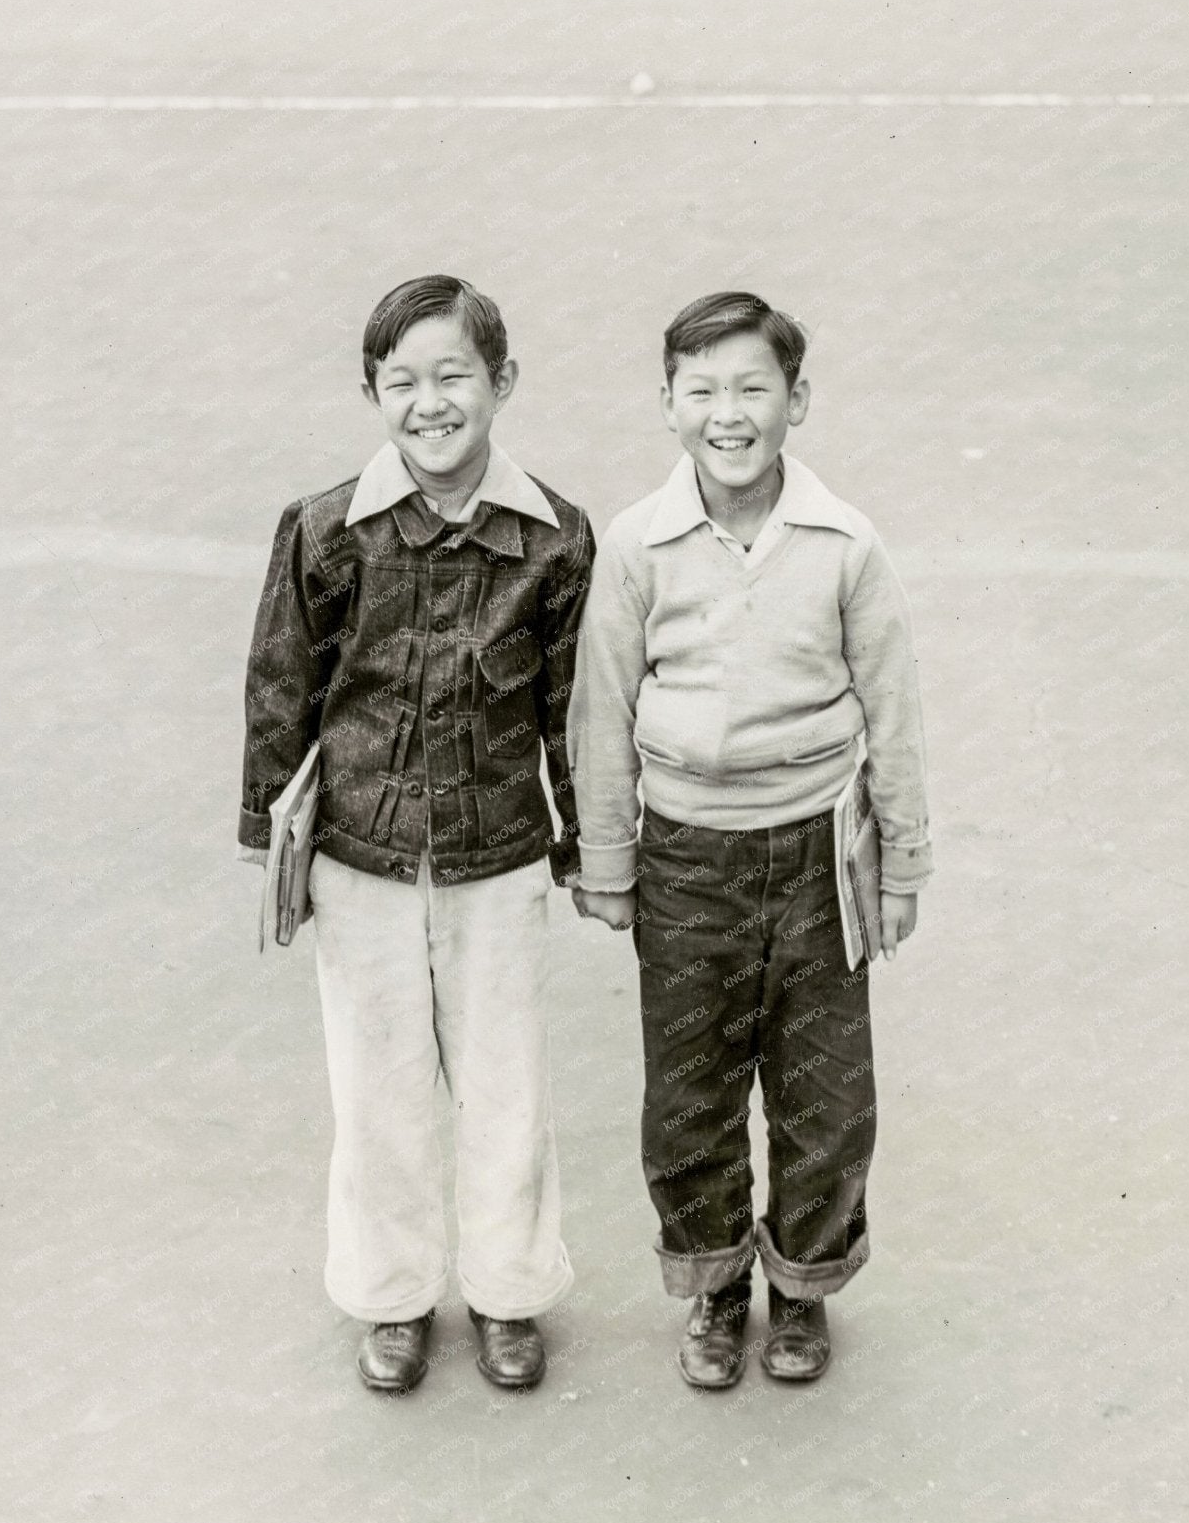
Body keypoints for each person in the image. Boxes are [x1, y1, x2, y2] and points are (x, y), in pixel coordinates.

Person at [567, 291, 932, 1388]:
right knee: (690, 1092)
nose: (729, 415)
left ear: (796, 401)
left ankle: (801, 1290)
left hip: (819, 855)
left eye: (753, 389)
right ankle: (715, 1289)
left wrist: (902, 860)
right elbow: (601, 707)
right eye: (703, 391)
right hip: (686, 856)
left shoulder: (842, 543)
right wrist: (608, 858)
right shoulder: (636, 544)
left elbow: (893, 707)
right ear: (668, 406)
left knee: (824, 1094)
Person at [239, 274, 594, 1393]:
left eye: (454, 376)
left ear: (502, 383)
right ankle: (391, 1299)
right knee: (376, 1089)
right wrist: (268, 835)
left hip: (498, 863)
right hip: (358, 861)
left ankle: (505, 1293)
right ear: (370, 393)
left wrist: (590, 846)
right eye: (403, 382)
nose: (430, 403)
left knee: (505, 1088)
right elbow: (279, 686)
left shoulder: (557, 540)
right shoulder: (319, 531)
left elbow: (571, 710)